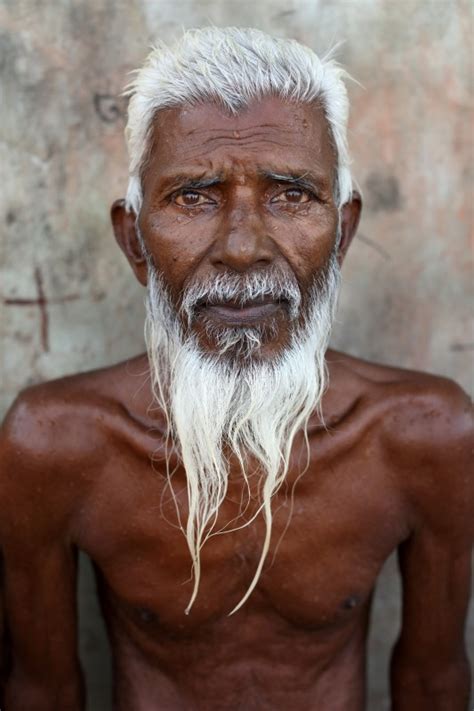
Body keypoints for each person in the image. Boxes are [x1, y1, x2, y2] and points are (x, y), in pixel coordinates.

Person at [0, 27, 472, 711]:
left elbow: (434, 681)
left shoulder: (425, 435)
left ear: (342, 233)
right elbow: (38, 688)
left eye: (290, 195)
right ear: (134, 239)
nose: (244, 249)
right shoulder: (56, 445)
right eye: (194, 195)